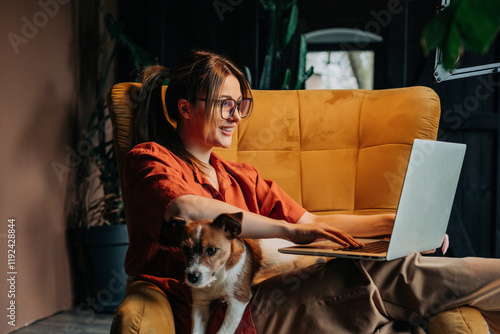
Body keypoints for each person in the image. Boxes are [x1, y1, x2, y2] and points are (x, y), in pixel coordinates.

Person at [119, 50, 500, 333]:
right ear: (185, 108)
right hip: (228, 312)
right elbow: (185, 208)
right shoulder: (150, 160)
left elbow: (313, 222)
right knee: (390, 276)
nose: (236, 115)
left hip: (273, 295)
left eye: (240, 105)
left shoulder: (240, 176)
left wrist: (399, 224)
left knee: (389, 274)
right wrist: (287, 231)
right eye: (226, 104)